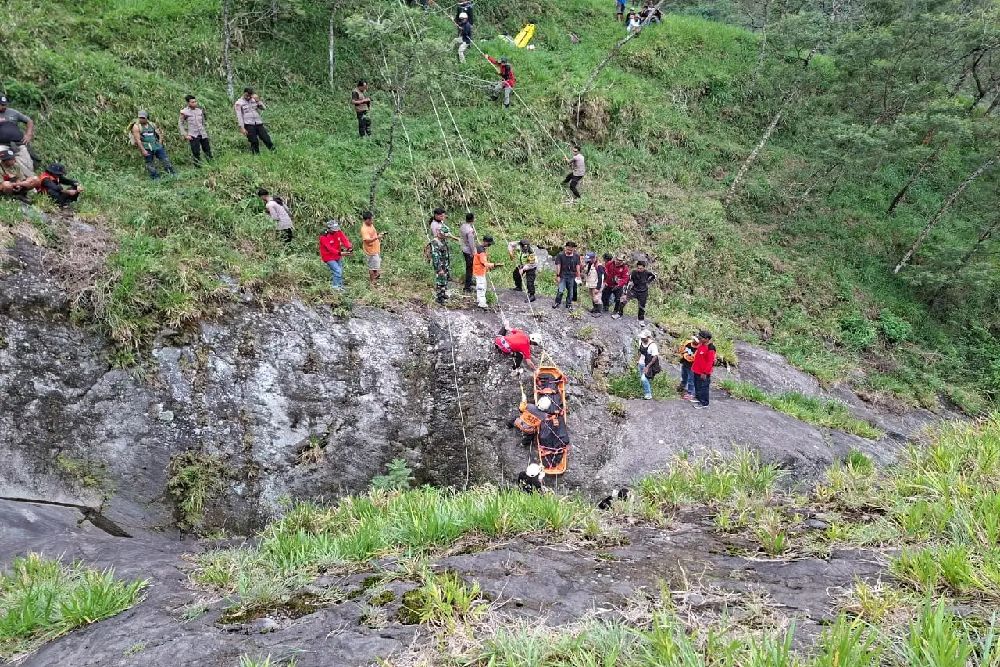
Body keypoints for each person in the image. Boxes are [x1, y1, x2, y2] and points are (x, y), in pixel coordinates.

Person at [131, 111, 175, 179]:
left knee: (165, 159)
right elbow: (138, 140)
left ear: (147, 118)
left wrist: (160, 143)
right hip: (146, 147)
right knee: (150, 163)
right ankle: (155, 177)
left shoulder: (152, 124)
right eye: (140, 118)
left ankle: (171, 173)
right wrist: (143, 150)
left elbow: (159, 134)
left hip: (156, 145)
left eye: (143, 118)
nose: (141, 119)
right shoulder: (136, 127)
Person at [0, 95, 35, 177]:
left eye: (5, 104)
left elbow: (29, 121)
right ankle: (6, 180)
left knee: (28, 163)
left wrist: (28, 134)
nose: (4, 106)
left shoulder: (13, 112)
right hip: (2, 144)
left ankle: (30, 181)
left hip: (18, 143)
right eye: (2, 104)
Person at [235, 87, 273, 154]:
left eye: (250, 96)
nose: (248, 97)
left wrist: (258, 101)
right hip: (248, 124)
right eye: (247, 95)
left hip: (258, 123)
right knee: (254, 141)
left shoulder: (254, 100)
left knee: (266, 138)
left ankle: (274, 152)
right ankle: (256, 156)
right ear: (244, 93)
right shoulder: (239, 103)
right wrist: (242, 127)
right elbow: (239, 116)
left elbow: (264, 108)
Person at [318, 219, 353, 290]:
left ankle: (340, 286)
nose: (335, 231)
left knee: (339, 270)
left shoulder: (338, 232)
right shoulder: (323, 237)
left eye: (336, 229)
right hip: (328, 257)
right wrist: (340, 253)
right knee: (337, 270)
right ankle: (335, 287)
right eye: (334, 230)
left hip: (337, 256)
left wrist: (349, 247)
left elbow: (344, 240)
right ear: (328, 229)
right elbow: (329, 248)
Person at [178, 95, 212, 166]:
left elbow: (203, 121)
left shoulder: (200, 110)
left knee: (207, 150)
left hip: (202, 133)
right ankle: (198, 167)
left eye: (195, 101)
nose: (195, 103)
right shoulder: (184, 112)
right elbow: (181, 124)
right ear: (188, 103)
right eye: (192, 102)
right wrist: (185, 134)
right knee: (196, 152)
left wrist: (205, 129)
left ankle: (211, 165)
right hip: (193, 135)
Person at [691, 330, 717, 409]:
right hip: (696, 370)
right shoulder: (701, 344)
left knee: (704, 387)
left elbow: (710, 362)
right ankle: (698, 398)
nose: (699, 338)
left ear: (707, 339)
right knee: (697, 385)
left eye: (701, 337)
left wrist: (705, 373)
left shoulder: (710, 348)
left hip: (703, 372)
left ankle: (704, 403)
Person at [472, 235, 499, 309]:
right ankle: (482, 303)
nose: (490, 245)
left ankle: (479, 300)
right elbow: (484, 263)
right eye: (489, 243)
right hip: (479, 271)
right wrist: (494, 265)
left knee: (481, 285)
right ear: (485, 242)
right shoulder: (481, 251)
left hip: (479, 270)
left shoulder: (479, 247)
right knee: (482, 287)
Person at [552, 241, 581, 309]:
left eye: (571, 250)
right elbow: (558, 265)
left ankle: (569, 304)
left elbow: (578, 266)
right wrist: (558, 275)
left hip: (572, 276)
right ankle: (557, 302)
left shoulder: (576, 256)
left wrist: (578, 275)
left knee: (570, 291)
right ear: (565, 247)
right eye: (568, 249)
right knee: (560, 290)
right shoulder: (560, 255)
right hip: (563, 275)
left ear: (573, 249)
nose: (569, 251)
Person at [359, 211, 386, 287]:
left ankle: (375, 282)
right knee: (373, 268)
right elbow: (366, 240)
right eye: (371, 220)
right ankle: (373, 283)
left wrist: (378, 236)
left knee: (376, 267)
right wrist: (377, 237)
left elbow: (373, 235)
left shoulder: (371, 225)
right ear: (366, 220)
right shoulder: (364, 229)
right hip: (371, 251)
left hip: (375, 249)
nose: (372, 221)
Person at [430, 223, 452, 305]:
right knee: (440, 281)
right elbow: (435, 256)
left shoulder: (443, 240)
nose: (446, 236)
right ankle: (439, 297)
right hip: (440, 265)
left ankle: (443, 293)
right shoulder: (435, 242)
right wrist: (439, 269)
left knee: (444, 280)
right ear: (439, 233)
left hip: (445, 264)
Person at [637, 330, 661, 400]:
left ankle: (648, 394)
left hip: (649, 364)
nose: (642, 339)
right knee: (643, 378)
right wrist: (638, 360)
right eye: (641, 337)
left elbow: (655, 357)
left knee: (643, 379)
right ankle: (645, 391)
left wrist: (647, 367)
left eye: (644, 338)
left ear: (648, 337)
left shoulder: (652, 345)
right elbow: (640, 351)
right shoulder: (640, 341)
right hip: (641, 362)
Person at [676, 333, 699, 401]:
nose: (694, 341)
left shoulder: (699, 348)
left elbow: (692, 358)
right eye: (694, 339)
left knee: (691, 379)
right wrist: (684, 354)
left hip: (693, 366)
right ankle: (682, 386)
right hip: (685, 363)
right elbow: (681, 349)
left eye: (696, 340)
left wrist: (685, 354)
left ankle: (690, 393)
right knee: (684, 375)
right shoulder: (688, 343)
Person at [459, 212, 477, 293]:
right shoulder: (470, 230)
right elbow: (471, 243)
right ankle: (467, 287)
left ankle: (469, 282)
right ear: (472, 219)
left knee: (469, 267)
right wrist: (473, 252)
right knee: (470, 268)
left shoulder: (463, 226)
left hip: (464, 248)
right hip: (469, 250)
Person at [583, 251, 605, 316]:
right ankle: (595, 308)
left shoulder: (599, 266)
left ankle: (599, 311)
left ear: (594, 258)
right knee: (592, 297)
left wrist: (598, 288)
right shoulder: (591, 264)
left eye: (590, 259)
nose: (589, 261)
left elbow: (601, 278)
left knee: (597, 298)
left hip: (597, 285)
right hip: (591, 284)